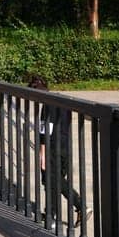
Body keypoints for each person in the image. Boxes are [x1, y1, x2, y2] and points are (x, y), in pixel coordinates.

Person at [29, 76, 84, 228]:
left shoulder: (47, 105)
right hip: (65, 146)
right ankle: (51, 214)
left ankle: (79, 205)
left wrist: (42, 153)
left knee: (51, 179)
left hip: (53, 148)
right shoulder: (62, 100)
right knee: (52, 181)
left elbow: (45, 131)